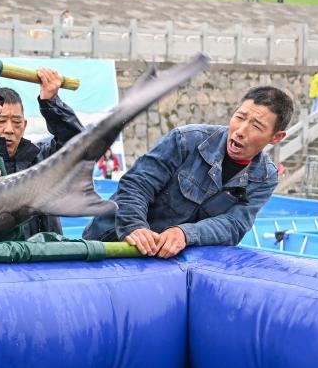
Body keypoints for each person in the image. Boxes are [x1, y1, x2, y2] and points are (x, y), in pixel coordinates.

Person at [83, 86, 293, 258]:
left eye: (256, 126)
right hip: (110, 242)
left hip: (167, 260)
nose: (240, 131)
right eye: (240, 117)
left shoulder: (265, 177)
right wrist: (134, 226)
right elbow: (137, 184)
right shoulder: (185, 140)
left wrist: (185, 233)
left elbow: (234, 224)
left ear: (276, 137)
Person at [0, 69, 85, 238]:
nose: (9, 129)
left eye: (16, 122)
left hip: (45, 253)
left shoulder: (42, 161)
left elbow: (79, 145)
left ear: (24, 125)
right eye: (1, 121)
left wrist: (51, 103)